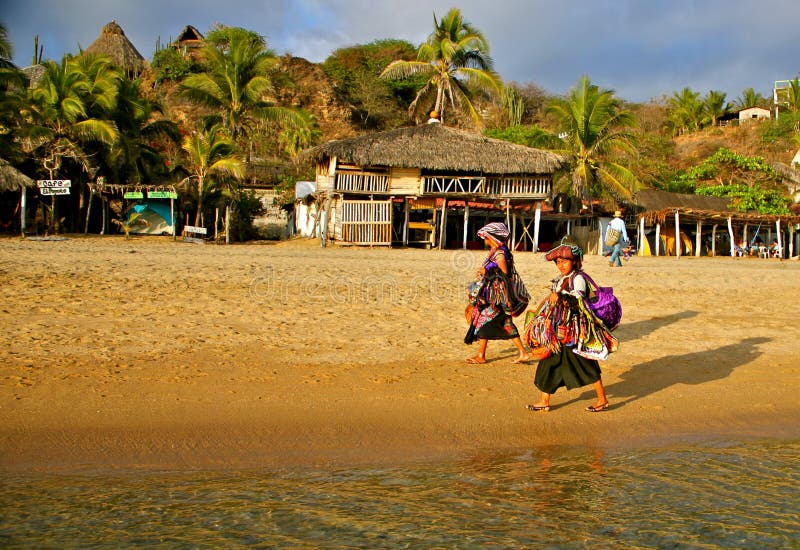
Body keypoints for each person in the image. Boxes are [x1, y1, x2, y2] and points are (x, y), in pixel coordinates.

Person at [523, 241, 618, 412]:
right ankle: (544, 400)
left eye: (564, 261)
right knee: (550, 363)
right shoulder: (562, 279)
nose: (561, 265)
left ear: (574, 261)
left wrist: (560, 298)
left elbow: (578, 301)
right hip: (560, 331)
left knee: (585, 365)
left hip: (573, 332)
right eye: (558, 262)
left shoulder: (578, 278)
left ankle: (602, 399)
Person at [464, 222, 531, 365]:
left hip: (498, 297)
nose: (485, 241)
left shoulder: (499, 253)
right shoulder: (498, 251)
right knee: (506, 323)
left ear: (494, 238)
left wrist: (486, 271)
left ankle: (481, 355)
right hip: (498, 295)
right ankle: (522, 353)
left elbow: (504, 272)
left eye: (487, 238)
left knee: (483, 319)